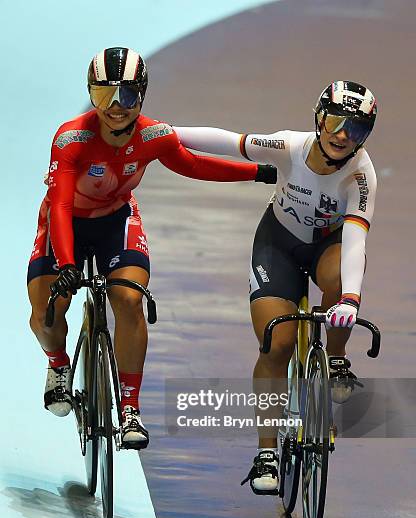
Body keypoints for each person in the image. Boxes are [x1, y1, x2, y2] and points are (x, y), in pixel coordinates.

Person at [27, 47, 275, 449]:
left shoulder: (153, 135)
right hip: (66, 222)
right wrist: (68, 263)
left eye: (125, 96)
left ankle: (129, 407)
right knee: (46, 314)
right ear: (91, 95)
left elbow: (193, 165)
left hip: (116, 220)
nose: (115, 107)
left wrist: (259, 172)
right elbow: (59, 204)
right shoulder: (71, 138)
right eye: (104, 95)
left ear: (142, 95)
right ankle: (58, 365)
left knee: (128, 299)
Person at [174, 80, 377, 493]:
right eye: (336, 122)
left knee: (338, 285)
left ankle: (335, 358)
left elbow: (356, 241)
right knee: (277, 344)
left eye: (355, 129)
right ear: (320, 119)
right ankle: (266, 453)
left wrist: (351, 301)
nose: (342, 135)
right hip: (278, 244)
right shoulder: (288, 147)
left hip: (329, 247)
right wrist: (164, 132)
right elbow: (229, 142)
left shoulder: (361, 176)